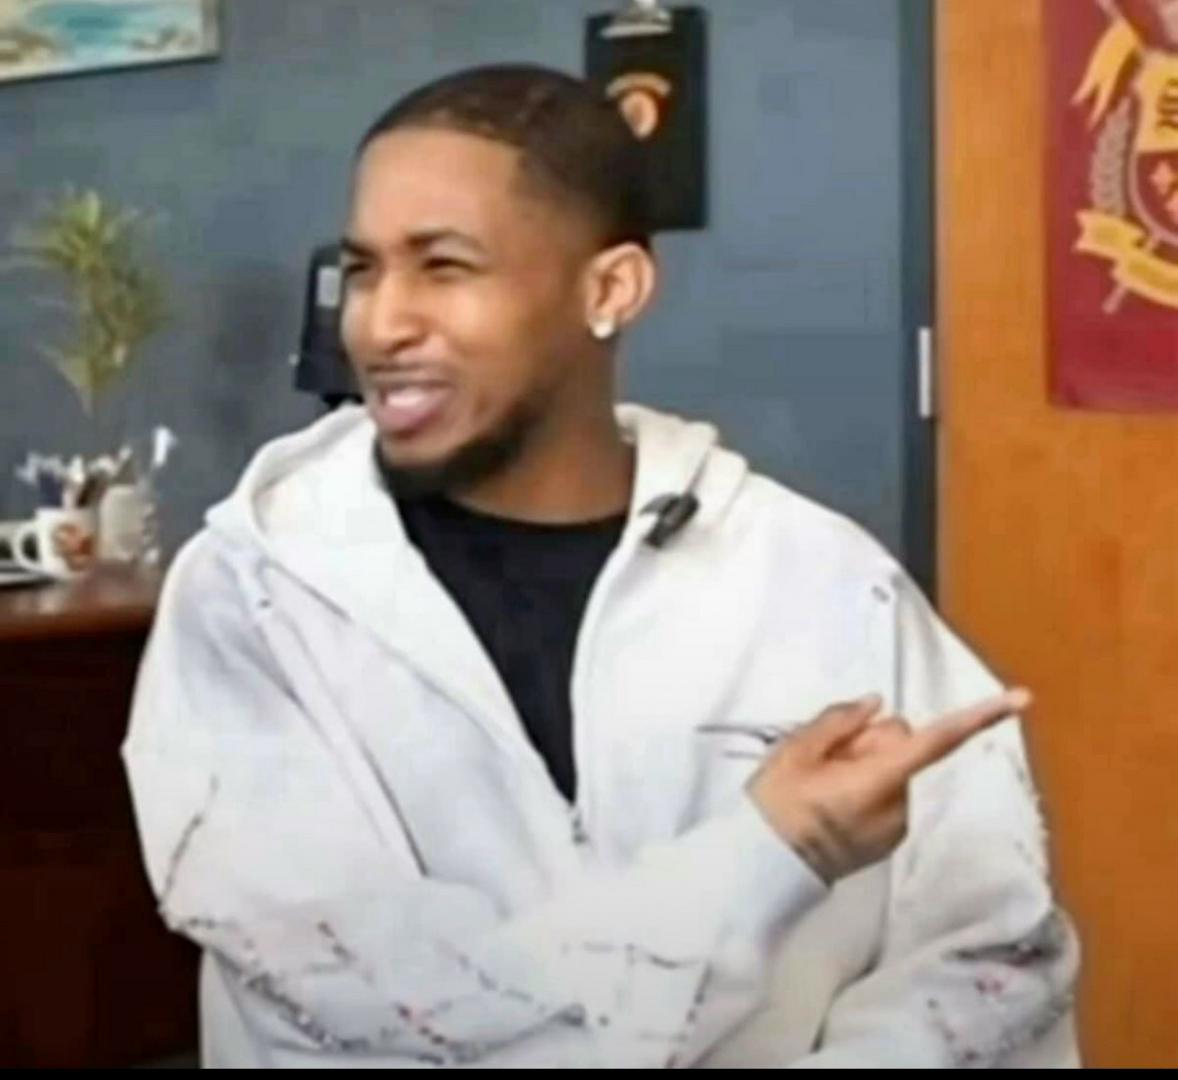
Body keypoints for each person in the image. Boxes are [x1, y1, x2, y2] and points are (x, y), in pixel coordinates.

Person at [123, 65, 1079, 1068]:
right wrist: (770, 854)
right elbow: (372, 1000)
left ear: (609, 289)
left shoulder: (821, 581)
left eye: (443, 267)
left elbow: (988, 956)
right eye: (363, 270)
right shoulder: (256, 596)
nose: (379, 323)